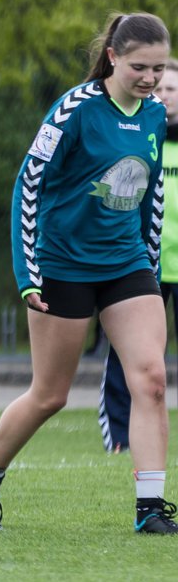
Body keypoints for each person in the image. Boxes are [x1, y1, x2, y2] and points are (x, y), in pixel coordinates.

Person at [0, 11, 176, 534]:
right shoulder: (75, 110)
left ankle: (150, 509)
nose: (150, 80)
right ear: (113, 58)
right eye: (140, 68)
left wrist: (148, 262)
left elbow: (150, 195)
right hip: (63, 265)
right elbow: (27, 186)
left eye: (159, 69)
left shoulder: (152, 117)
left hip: (126, 265)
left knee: (150, 380)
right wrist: (27, 272)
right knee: (50, 395)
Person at [97, 56, 178, 452]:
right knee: (129, 352)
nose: (162, 93)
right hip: (141, 262)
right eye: (159, 89)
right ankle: (118, 434)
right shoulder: (135, 137)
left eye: (170, 88)